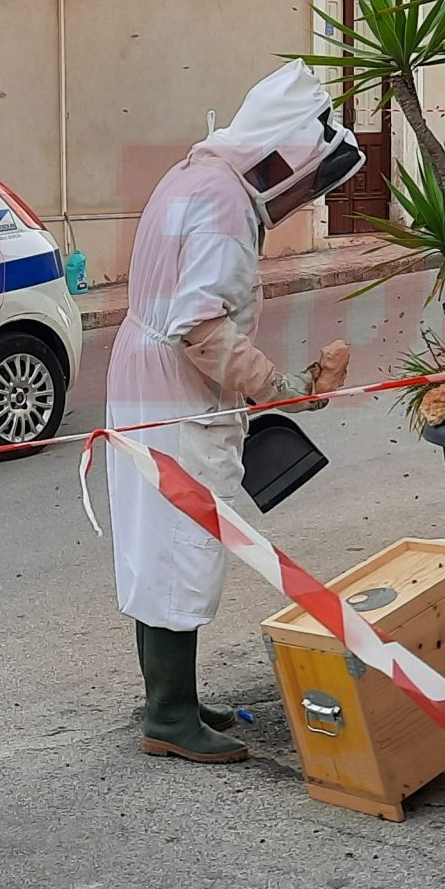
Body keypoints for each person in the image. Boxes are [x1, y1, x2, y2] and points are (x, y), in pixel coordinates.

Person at [109, 63, 362, 764]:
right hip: (175, 393)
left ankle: (174, 698)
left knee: (155, 542)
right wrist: (278, 385)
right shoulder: (221, 199)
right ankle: (168, 716)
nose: (304, 190)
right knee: (179, 548)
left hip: (144, 378)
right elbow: (202, 326)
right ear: (282, 149)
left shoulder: (196, 174)